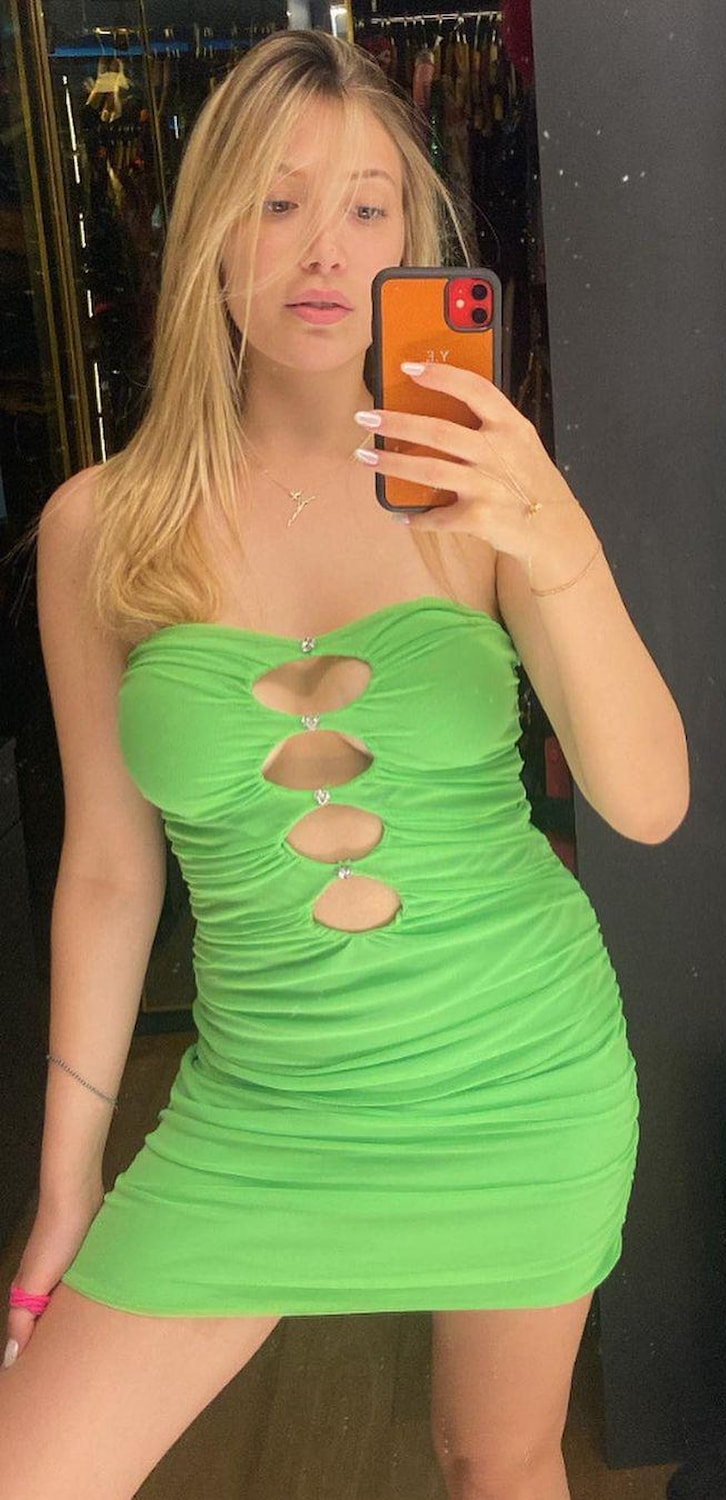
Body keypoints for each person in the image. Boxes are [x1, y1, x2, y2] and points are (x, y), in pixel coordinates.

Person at [0, 29, 688, 1500]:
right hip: (260, 1110)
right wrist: (67, 1184)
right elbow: (110, 875)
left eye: (367, 207)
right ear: (209, 233)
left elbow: (646, 802)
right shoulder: (99, 531)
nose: (324, 248)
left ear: (410, 242)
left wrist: (558, 539)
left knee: (494, 1461)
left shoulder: (478, 492)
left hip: (519, 1079)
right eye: (278, 201)